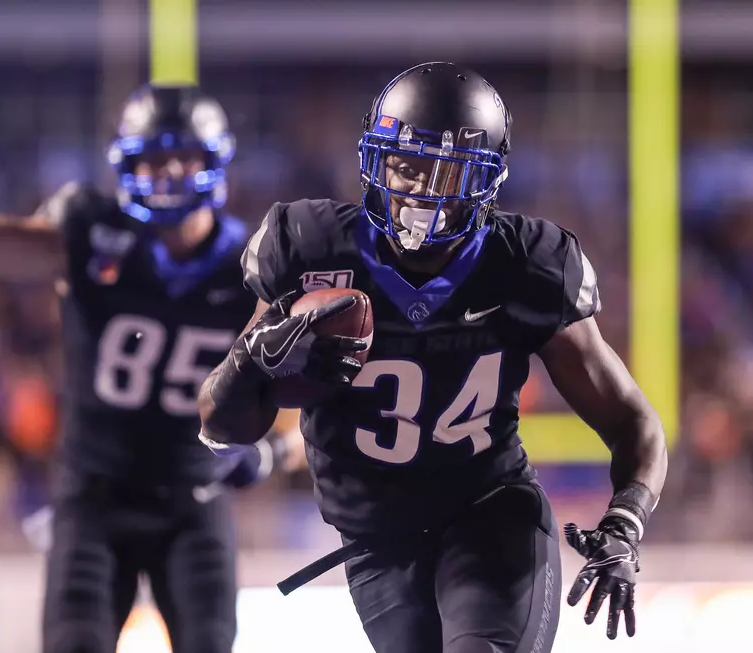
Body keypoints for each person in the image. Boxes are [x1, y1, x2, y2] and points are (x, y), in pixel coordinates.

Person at [197, 62, 669, 653]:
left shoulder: (527, 266)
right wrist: (251, 360)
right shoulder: (309, 250)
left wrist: (625, 524)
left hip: (490, 515)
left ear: (485, 179)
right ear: (375, 160)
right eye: (405, 165)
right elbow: (219, 425)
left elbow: (631, 419)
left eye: (444, 173)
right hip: (377, 542)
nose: (418, 189)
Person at [0, 61, 298, 653]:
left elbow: (292, 388)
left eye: (182, 157)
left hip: (193, 501)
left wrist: (269, 451)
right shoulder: (91, 232)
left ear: (213, 161)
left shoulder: (251, 267)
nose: (167, 172)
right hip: (94, 496)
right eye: (152, 158)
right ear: (127, 165)